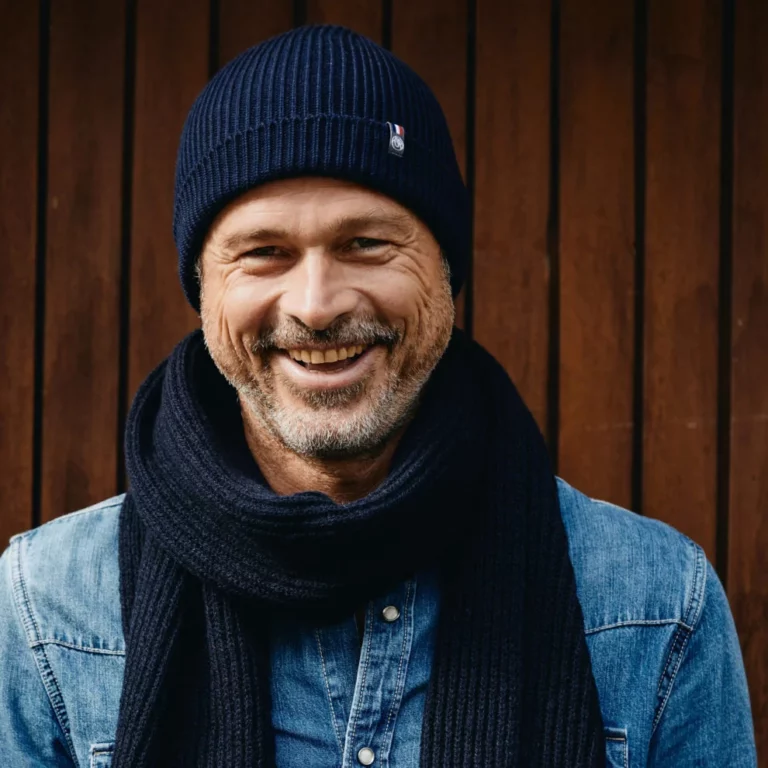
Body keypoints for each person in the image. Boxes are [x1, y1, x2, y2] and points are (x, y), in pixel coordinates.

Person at [0, 24, 757, 768]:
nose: (318, 303)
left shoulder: (659, 608)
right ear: (203, 288)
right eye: (264, 252)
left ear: (445, 272)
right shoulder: (49, 608)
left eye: (366, 243)